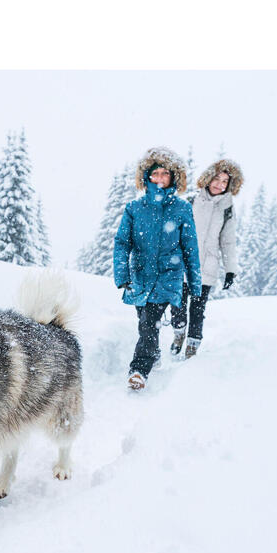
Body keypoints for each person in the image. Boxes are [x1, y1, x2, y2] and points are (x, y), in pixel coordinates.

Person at [113, 147, 202, 391]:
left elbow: (190, 248)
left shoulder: (182, 209)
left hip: (168, 276)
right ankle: (153, 353)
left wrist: (195, 284)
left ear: (174, 177)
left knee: (149, 323)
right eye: (156, 174)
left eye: (165, 174)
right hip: (140, 276)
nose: (160, 179)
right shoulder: (134, 208)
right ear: (147, 177)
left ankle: (139, 370)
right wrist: (122, 276)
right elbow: (122, 243)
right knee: (143, 321)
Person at [169, 158, 243, 359]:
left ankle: (192, 345)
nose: (220, 184)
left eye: (225, 181)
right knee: (178, 305)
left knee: (198, 309)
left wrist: (230, 269)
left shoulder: (227, 209)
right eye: (217, 179)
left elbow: (227, 241)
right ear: (209, 178)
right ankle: (178, 333)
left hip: (207, 265)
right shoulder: (192, 201)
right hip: (183, 263)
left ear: (229, 185)